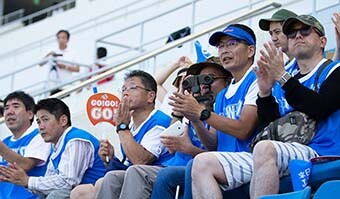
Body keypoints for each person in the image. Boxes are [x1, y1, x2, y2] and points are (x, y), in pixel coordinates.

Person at [194, 15, 340, 199]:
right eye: (292, 33)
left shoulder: (334, 70)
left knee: (264, 149)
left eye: (305, 31)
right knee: (202, 163)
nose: (298, 36)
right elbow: (267, 128)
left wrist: (282, 77)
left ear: (322, 41)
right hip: (281, 152)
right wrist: (265, 93)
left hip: (320, 150)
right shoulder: (284, 81)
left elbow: (320, 107)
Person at [168, 23, 259, 198]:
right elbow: (213, 143)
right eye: (221, 46)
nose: (224, 50)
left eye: (232, 44)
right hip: (225, 161)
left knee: (199, 164)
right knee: (195, 165)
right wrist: (194, 117)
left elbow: (244, 130)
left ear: (250, 51)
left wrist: (202, 113)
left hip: (249, 158)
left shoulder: (256, 80)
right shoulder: (224, 93)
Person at [71, 70, 172, 199]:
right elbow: (129, 164)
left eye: (133, 88)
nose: (125, 92)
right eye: (123, 89)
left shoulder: (160, 121)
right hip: (135, 175)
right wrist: (111, 159)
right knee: (81, 192)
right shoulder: (129, 126)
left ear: (150, 96)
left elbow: (140, 161)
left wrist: (122, 127)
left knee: (112, 178)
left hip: (160, 176)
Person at [149, 57, 232, 199]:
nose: (205, 85)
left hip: (199, 165)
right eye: (200, 79)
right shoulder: (193, 109)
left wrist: (189, 148)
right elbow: (170, 145)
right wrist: (180, 111)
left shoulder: (222, 107)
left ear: (227, 80)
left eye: (210, 78)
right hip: (177, 165)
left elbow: (213, 149)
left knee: (171, 174)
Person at [0, 98, 106, 199]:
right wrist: (21, 180)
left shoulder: (76, 139)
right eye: (38, 122)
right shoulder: (55, 145)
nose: (41, 127)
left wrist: (28, 181)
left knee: (56, 195)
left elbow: (67, 182)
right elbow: (49, 182)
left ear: (63, 120)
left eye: (45, 120)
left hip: (98, 192)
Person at [0, 91, 51, 199]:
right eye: (6, 108)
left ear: (30, 114)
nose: (9, 112)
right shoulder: (4, 142)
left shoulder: (40, 136)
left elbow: (25, 165)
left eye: (15, 106)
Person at [40, 30, 80, 95]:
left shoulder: (72, 52)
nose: (61, 40)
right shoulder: (52, 51)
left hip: (66, 85)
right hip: (52, 85)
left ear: (67, 40)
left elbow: (77, 69)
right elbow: (40, 64)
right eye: (59, 38)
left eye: (63, 38)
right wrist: (48, 55)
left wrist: (65, 66)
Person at [259, 8, 298, 74]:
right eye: (271, 33)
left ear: (292, 31)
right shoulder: (282, 68)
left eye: (277, 32)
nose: (274, 38)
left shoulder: (308, 61)